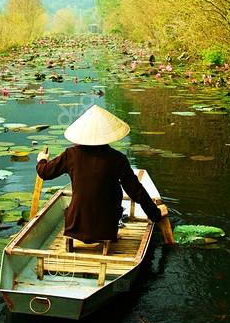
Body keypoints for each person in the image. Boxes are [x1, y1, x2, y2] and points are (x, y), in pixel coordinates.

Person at [36, 105, 168, 253]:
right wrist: (154, 214)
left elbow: (44, 173)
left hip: (76, 224)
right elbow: (136, 191)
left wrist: (42, 160)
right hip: (105, 227)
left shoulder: (71, 155)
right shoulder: (118, 159)